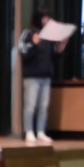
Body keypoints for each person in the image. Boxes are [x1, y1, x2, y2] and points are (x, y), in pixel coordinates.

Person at [18, 8, 68, 143]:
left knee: (44, 106)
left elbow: (53, 56)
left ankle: (41, 131)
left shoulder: (49, 36)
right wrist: (33, 44)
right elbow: (23, 52)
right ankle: (29, 131)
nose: (47, 21)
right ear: (38, 19)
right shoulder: (28, 33)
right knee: (30, 105)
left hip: (46, 75)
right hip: (32, 76)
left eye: (49, 18)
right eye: (45, 18)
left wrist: (60, 48)